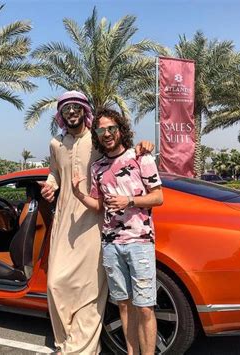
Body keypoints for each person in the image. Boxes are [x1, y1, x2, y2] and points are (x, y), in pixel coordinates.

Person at [40, 91, 153, 354]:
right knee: (56, 283)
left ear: (84, 111)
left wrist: (145, 146)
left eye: (75, 107)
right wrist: (50, 185)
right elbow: (55, 173)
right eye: (66, 108)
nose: (71, 112)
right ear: (61, 114)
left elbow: (122, 153)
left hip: (95, 219)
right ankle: (65, 340)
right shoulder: (55, 144)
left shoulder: (96, 139)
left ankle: (81, 349)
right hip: (64, 220)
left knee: (90, 289)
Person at [71, 109, 163, 355]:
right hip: (111, 244)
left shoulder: (140, 157)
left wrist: (129, 201)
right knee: (124, 306)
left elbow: (158, 197)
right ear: (97, 135)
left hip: (140, 242)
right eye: (101, 130)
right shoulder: (98, 167)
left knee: (145, 307)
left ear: (121, 129)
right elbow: (99, 205)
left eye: (112, 128)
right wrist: (78, 194)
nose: (107, 134)